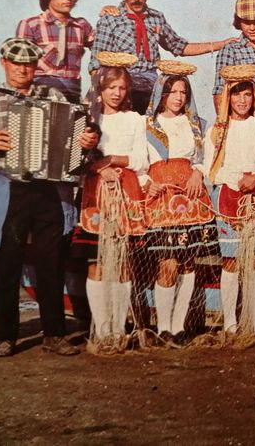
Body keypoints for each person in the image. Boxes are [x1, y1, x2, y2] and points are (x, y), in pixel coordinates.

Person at [0, 38, 85, 357]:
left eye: (29, 64)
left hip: (49, 190)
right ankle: (5, 337)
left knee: (51, 264)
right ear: (3, 62)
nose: (22, 69)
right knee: (6, 264)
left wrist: (84, 140)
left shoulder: (54, 96)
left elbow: (75, 135)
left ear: (36, 66)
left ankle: (54, 334)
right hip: (10, 189)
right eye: (16, 62)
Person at [201, 65, 255, 337]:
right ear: (228, 97)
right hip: (230, 195)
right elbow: (212, 167)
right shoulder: (218, 131)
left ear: (254, 97)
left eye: (247, 95)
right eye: (236, 95)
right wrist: (238, 180)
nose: (242, 101)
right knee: (232, 261)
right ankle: (229, 323)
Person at [75, 59, 149, 350]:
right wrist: (96, 167)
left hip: (127, 190)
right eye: (111, 88)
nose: (117, 93)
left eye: (122, 88)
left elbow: (141, 160)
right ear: (100, 89)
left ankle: (119, 329)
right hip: (97, 194)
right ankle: (102, 329)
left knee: (122, 264)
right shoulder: (89, 119)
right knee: (97, 263)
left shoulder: (134, 119)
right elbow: (77, 162)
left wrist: (112, 160)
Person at [89, 0, 234, 113]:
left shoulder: (156, 17)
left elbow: (179, 46)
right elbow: (96, 63)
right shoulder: (110, 19)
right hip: (121, 88)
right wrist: (95, 97)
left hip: (150, 86)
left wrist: (219, 44)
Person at [143, 67, 219, 343]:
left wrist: (198, 172)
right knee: (168, 262)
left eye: (183, 92)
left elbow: (204, 157)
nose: (178, 97)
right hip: (163, 196)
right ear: (161, 95)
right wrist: (146, 181)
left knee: (189, 263)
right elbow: (140, 160)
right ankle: (163, 325)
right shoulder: (147, 124)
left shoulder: (197, 124)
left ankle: (179, 326)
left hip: (190, 194)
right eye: (172, 92)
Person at [15, 0, 95, 102]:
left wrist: (109, 13)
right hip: (40, 93)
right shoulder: (31, 25)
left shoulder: (81, 25)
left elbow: (102, 47)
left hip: (72, 92)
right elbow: (20, 65)